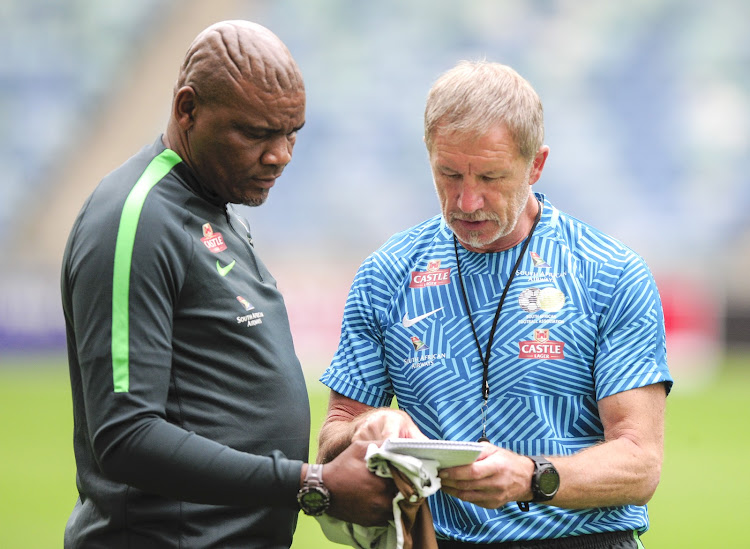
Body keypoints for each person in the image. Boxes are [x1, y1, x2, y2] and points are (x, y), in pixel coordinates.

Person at [60, 20, 395, 549]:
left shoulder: (217, 203)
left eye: (291, 134)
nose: (280, 155)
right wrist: (312, 484)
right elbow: (125, 436)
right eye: (257, 133)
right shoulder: (136, 220)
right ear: (186, 109)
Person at [317, 60, 672, 548]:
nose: (466, 201)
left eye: (490, 176)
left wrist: (530, 477)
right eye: (448, 174)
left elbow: (639, 462)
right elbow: (332, 439)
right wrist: (368, 427)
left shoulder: (610, 272)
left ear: (536, 165)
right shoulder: (387, 274)